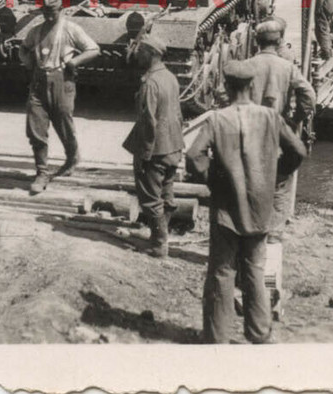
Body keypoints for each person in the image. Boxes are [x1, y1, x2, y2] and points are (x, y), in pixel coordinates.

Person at [187, 60, 308, 344]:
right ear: (252, 86)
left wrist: (212, 180)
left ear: (227, 87)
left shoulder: (217, 119)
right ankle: (259, 333)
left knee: (222, 272)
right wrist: (276, 175)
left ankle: (217, 338)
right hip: (259, 206)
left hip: (226, 209)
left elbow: (193, 155)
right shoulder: (270, 117)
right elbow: (298, 150)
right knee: (254, 270)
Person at [20, 0, 101, 194]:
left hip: (62, 80)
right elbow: (23, 48)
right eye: (45, 12)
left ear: (61, 10)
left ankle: (72, 156)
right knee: (35, 128)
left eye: (53, 13)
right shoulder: (35, 31)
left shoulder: (71, 29)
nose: (48, 17)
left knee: (64, 123)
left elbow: (93, 49)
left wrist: (74, 61)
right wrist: (28, 62)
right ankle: (42, 172)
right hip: (38, 82)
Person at [248, 19, 316, 243]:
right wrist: (297, 118)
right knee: (279, 184)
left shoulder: (247, 65)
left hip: (251, 134)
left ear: (257, 42)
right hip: (277, 133)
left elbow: (224, 96)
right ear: (278, 42)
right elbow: (309, 95)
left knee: (252, 182)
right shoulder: (287, 67)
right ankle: (274, 234)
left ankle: (253, 230)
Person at [122, 33, 184, 257]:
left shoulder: (150, 83)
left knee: (149, 197)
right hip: (173, 146)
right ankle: (161, 235)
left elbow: (149, 121)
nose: (137, 54)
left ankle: (159, 243)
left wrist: (142, 154)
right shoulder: (170, 77)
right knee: (166, 192)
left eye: (141, 51)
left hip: (155, 149)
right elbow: (177, 114)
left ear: (152, 54)